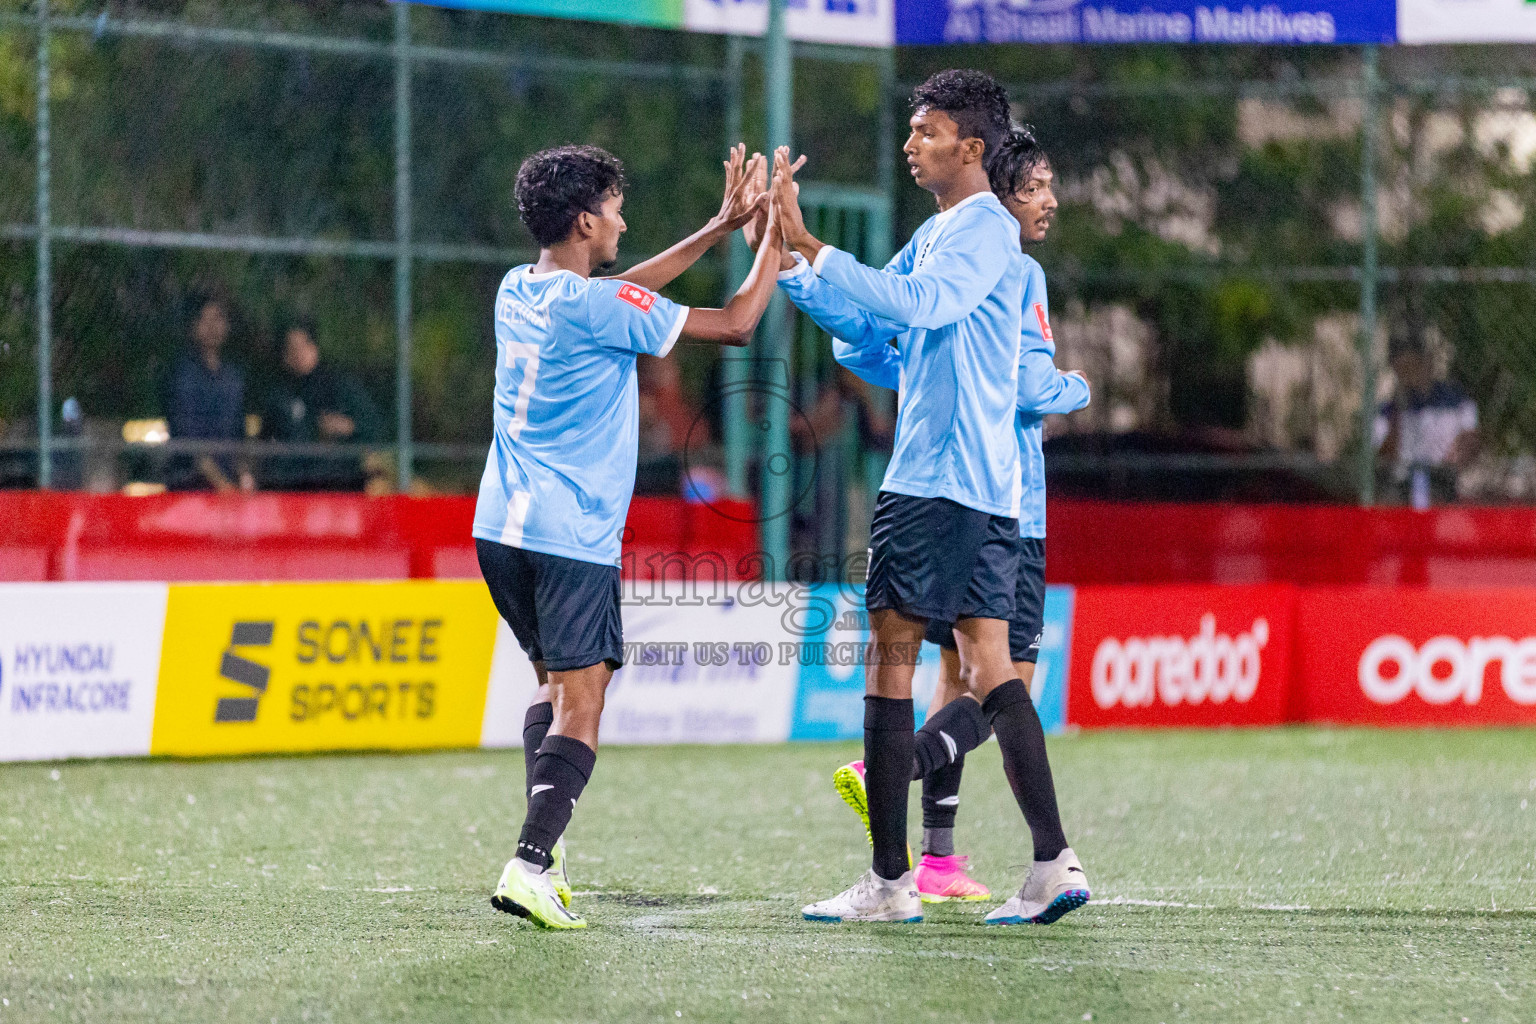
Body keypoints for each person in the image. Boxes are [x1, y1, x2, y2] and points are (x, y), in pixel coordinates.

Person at [483, 143, 785, 929]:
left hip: (500, 529)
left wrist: (718, 229)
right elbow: (741, 322)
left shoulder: (521, 288)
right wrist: (774, 234)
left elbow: (620, 292)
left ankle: (544, 847)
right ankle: (530, 862)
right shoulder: (597, 307)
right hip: (569, 535)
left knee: (552, 689)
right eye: (614, 207)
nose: (622, 217)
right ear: (587, 220)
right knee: (584, 704)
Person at [770, 69, 1032, 924]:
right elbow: (872, 331)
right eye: (912, 130)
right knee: (965, 669)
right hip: (960, 486)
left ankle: (901, 880)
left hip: (940, 485)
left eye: (927, 130)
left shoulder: (986, 230)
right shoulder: (943, 229)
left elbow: (918, 306)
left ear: (973, 147)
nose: (911, 143)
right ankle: (991, 866)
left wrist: (813, 248)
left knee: (918, 664)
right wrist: (793, 266)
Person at [824, 127, 1094, 923]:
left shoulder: (973, 255)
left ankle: (924, 845)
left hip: (969, 492)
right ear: (1000, 192)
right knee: (993, 675)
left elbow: (890, 348)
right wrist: (1075, 387)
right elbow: (1025, 382)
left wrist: (812, 266)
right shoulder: (1010, 261)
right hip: (1009, 502)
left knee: (960, 671)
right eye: (1037, 185)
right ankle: (924, 823)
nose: (1048, 199)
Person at [260, 318, 383, 490]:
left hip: (339, 488)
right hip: (293, 490)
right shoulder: (279, 395)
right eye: (292, 348)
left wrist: (347, 426)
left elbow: (374, 428)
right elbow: (264, 444)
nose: (298, 354)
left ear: (314, 347)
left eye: (304, 345)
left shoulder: (340, 385)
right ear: (284, 356)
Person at [162, 292, 253, 492]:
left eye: (218, 319)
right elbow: (187, 436)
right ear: (193, 326)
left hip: (228, 485)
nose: (212, 327)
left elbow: (238, 433)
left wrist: (244, 476)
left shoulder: (233, 376)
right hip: (189, 484)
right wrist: (220, 483)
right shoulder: (183, 375)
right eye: (205, 319)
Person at [1374, 337, 1477, 508]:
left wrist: (1458, 455)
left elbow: (1471, 437)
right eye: (1403, 369)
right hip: (1403, 484)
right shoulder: (1388, 410)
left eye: (1413, 366)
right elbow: (1386, 453)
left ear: (1426, 362)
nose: (1409, 374)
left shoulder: (1456, 401)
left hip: (1442, 478)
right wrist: (1399, 406)